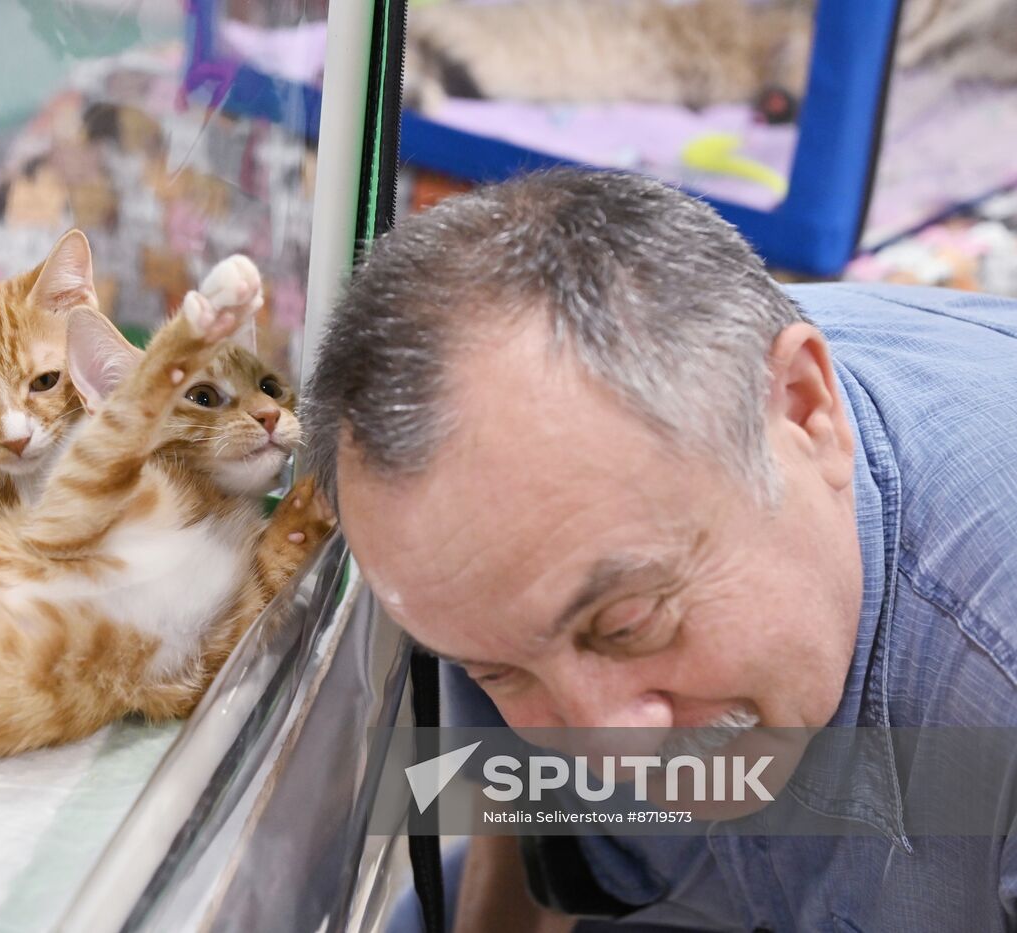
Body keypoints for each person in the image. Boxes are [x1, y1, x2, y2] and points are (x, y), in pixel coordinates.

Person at [303, 169, 1017, 931]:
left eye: (630, 624)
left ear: (806, 411)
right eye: (498, 671)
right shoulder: (517, 563)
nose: (611, 752)